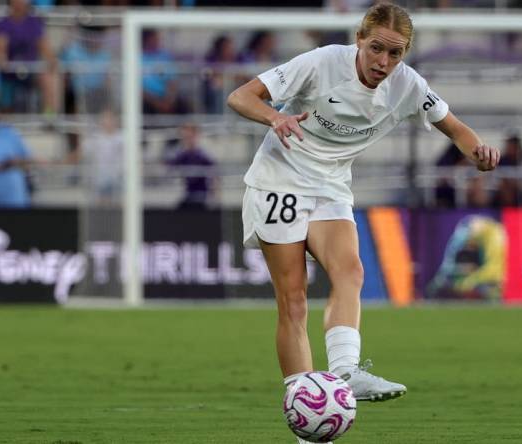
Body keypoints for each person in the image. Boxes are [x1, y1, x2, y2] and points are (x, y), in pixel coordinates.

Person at [227, 4, 499, 441]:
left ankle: (345, 372)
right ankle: (306, 419)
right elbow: (240, 96)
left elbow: (455, 128)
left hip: (331, 186)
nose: (383, 63)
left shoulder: (408, 85)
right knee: (293, 300)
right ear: (360, 39)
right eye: (376, 49)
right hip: (278, 181)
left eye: (395, 54)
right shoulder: (320, 63)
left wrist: (479, 151)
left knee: (351, 270)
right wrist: (275, 116)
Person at [0, 0, 58, 113]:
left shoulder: (34, 22)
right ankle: (6, 118)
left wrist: (51, 59)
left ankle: (49, 116)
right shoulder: (3, 23)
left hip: (30, 71)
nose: (20, 4)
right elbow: (0, 46)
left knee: (48, 79)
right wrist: (2, 59)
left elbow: (43, 45)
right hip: (9, 71)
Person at [164, 123, 215, 209]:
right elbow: (169, 167)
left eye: (189, 136)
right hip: (188, 195)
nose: (187, 139)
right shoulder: (182, 154)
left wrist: (214, 194)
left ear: (196, 136)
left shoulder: (202, 156)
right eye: (185, 137)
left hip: (200, 197)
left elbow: (213, 174)